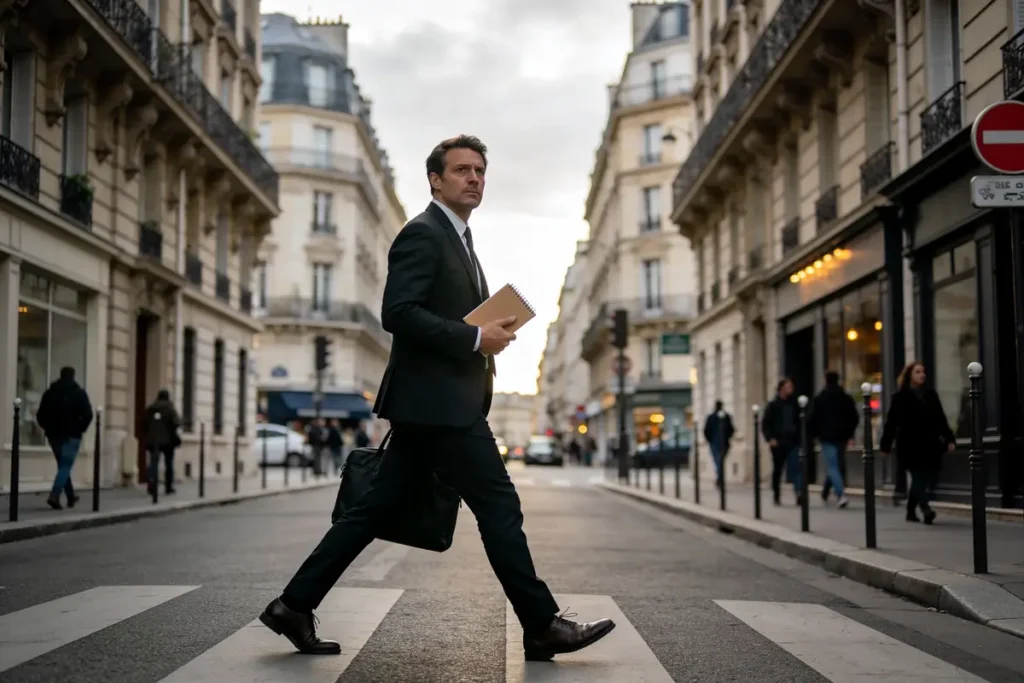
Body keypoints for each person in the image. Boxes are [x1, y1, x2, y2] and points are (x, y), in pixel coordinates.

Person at [258, 135, 614, 660]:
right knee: (498, 506)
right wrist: (475, 338)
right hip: (442, 407)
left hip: (433, 405)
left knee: (370, 512)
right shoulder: (423, 234)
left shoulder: (461, 240)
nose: (474, 178)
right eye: (463, 170)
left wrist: (488, 330)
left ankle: (292, 605)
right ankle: (541, 624)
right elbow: (397, 312)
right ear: (435, 179)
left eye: (480, 171)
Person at [879, 362, 955, 524]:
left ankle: (910, 510)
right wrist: (885, 445)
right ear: (910, 375)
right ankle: (926, 509)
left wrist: (949, 438)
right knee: (919, 477)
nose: (922, 375)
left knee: (924, 478)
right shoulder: (899, 397)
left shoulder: (930, 394)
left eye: (923, 371)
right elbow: (892, 422)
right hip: (909, 445)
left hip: (929, 443)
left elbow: (940, 418)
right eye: (918, 372)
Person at [35, 366, 93, 510]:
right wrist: (80, 428)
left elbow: (40, 415)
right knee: (65, 466)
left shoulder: (50, 393)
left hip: (54, 435)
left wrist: (47, 428)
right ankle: (54, 495)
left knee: (63, 466)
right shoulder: (78, 393)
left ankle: (71, 497)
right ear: (73, 376)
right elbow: (88, 414)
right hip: (71, 435)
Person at [808, 371, 859, 508]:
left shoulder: (820, 398)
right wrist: (850, 434)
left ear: (825, 380)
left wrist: (814, 435)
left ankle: (840, 494)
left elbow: (812, 419)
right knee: (835, 465)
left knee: (832, 466)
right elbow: (854, 417)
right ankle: (825, 492)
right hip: (842, 437)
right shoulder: (845, 397)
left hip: (827, 437)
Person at [761, 378, 801, 506]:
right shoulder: (773, 404)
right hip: (777, 442)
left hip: (792, 441)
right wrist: (770, 439)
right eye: (789, 386)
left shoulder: (795, 403)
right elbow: (765, 424)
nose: (791, 388)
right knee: (778, 470)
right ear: (782, 388)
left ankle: (799, 493)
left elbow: (800, 421)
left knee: (796, 468)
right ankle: (776, 494)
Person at [142, 389, 181, 496]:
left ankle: (151, 483)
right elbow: (177, 423)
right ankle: (168, 487)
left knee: (153, 463)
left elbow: (143, 423)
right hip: (168, 441)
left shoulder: (151, 408)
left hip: (153, 440)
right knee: (169, 464)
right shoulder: (170, 408)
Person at [702, 401, 734, 489]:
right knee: (720, 462)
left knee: (718, 462)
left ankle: (720, 479)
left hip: (717, 443)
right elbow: (731, 429)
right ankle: (720, 479)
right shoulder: (724, 416)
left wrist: (710, 440)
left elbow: (706, 430)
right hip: (720, 443)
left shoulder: (714, 417)